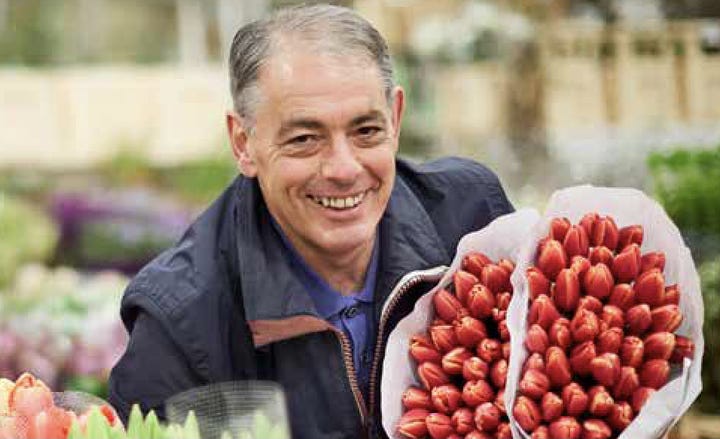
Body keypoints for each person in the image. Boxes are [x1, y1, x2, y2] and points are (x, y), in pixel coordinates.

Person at [108, 4, 514, 439]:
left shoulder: (473, 221)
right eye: (304, 139)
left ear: (395, 119)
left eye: (366, 131)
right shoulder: (182, 325)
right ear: (244, 143)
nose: (343, 168)